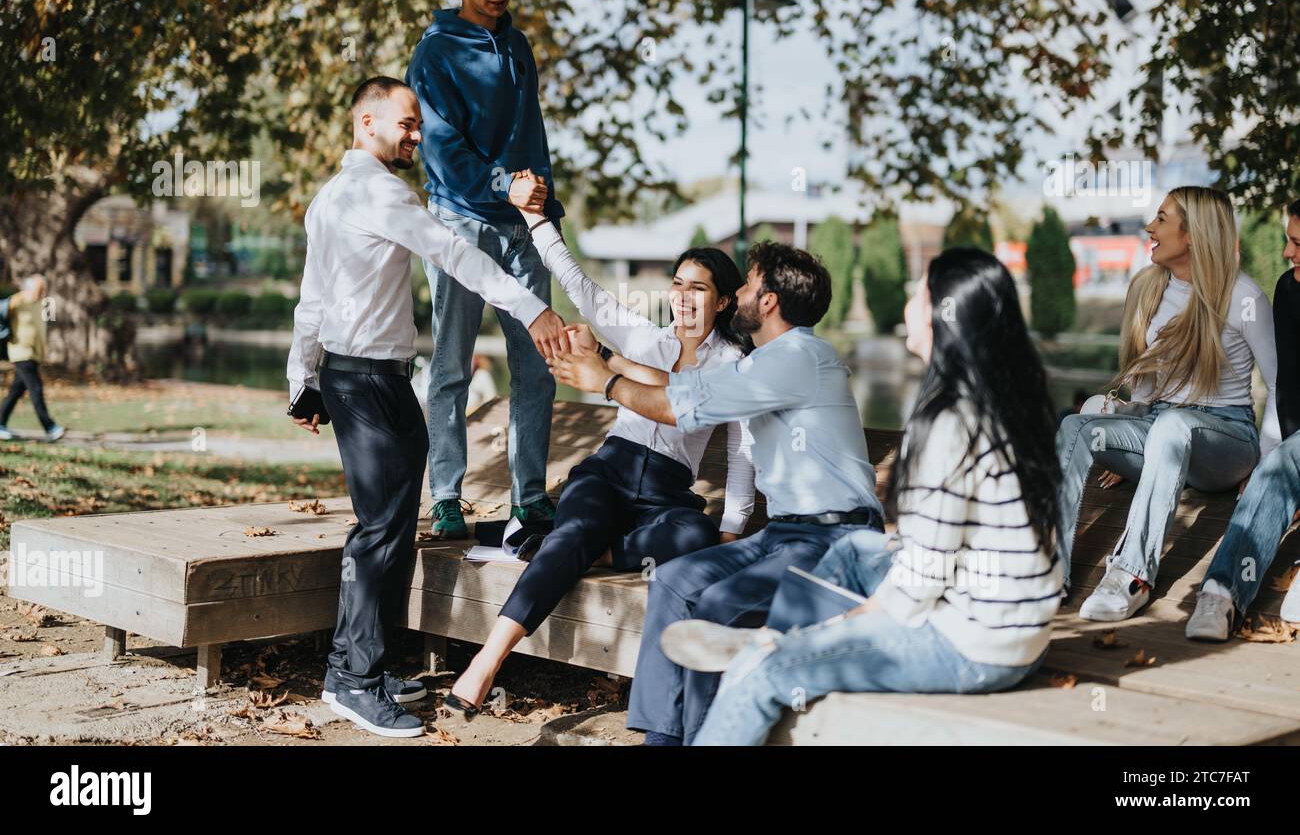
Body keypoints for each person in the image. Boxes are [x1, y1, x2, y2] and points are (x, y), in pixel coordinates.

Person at [663, 248, 1064, 746]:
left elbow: (920, 582)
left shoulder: (948, 422)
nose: (907, 304)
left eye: (920, 293)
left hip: (974, 644)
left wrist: (840, 629)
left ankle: (774, 648)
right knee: (852, 549)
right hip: (1016, 623)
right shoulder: (1006, 400)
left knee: (760, 672)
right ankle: (778, 640)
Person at [286, 76, 567, 738]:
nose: (418, 135)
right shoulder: (381, 194)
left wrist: (302, 379)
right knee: (378, 530)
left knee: (390, 527)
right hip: (367, 382)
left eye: (418, 124)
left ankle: (363, 665)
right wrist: (532, 308)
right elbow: (457, 254)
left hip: (370, 378)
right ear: (366, 122)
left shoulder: (330, 196)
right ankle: (354, 681)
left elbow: (311, 300)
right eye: (406, 123)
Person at [549, 241, 883, 746]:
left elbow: (683, 409)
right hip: (784, 535)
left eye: (747, 284)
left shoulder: (799, 357)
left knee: (717, 604)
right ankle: (662, 738)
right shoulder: (763, 362)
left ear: (768, 301)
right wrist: (605, 360)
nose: (739, 293)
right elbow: (682, 388)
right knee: (673, 581)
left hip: (836, 539)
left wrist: (607, 383)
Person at [440, 201, 757, 719]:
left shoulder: (734, 365)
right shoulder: (646, 337)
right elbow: (580, 286)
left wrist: (731, 531)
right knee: (574, 531)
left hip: (667, 494)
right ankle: (487, 662)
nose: (682, 297)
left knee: (695, 535)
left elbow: (742, 454)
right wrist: (537, 221)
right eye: (677, 284)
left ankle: (581, 548)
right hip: (609, 471)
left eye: (698, 289)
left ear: (722, 301)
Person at [1056, 186, 1280, 622]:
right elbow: (1145, 389)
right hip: (1160, 429)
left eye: (1161, 219)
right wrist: (1123, 442)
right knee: (1074, 427)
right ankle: (1050, 570)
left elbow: (1278, 385)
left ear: (1193, 233)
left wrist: (1266, 465)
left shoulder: (1244, 297)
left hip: (1226, 443)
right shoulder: (1149, 288)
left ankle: (1132, 575)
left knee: (1173, 424)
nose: (1149, 227)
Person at [406, 0, 563, 541]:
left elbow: (532, 134)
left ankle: (531, 498)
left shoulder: (517, 45)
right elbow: (442, 151)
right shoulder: (434, 54)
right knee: (452, 365)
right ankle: (446, 496)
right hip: (460, 223)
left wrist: (544, 206)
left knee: (538, 365)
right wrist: (504, 186)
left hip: (524, 225)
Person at [1187, 198, 1300, 639]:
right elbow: (1287, 386)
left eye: (1298, 244)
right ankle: (1221, 592)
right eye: (1288, 241)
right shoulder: (1289, 290)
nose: (1288, 253)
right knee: (1280, 465)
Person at [0, 275, 64, 442]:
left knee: (16, 391)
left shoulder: (46, 303)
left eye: (44, 288)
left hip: (36, 353)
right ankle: (50, 427)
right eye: (39, 288)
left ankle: (0, 424)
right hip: (21, 351)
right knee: (36, 389)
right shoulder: (17, 300)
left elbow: (49, 324)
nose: (42, 291)